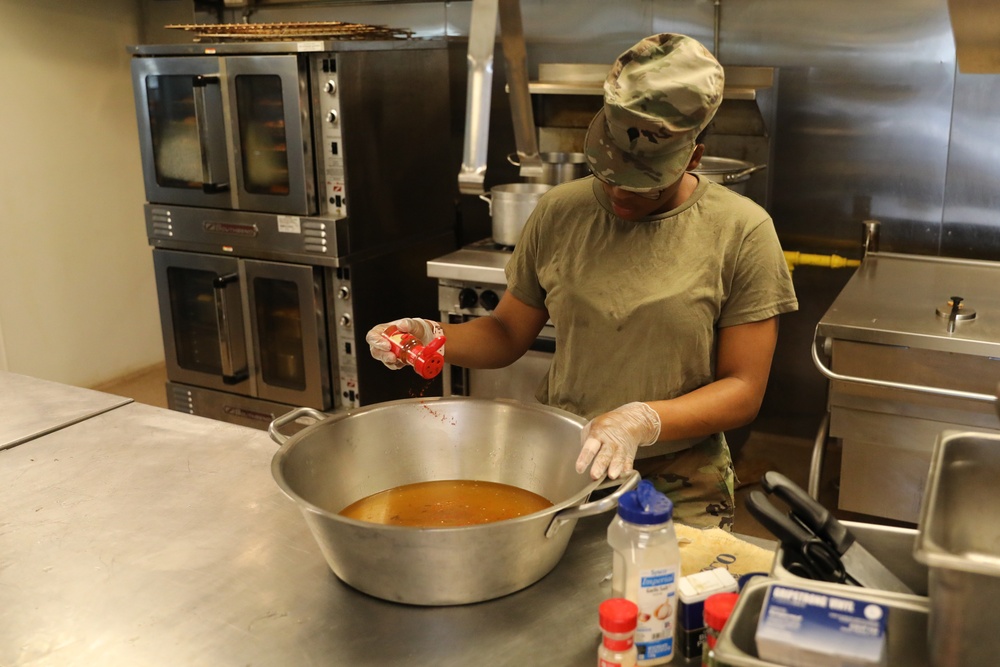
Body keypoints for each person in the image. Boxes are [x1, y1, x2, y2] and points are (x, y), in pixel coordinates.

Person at [365, 33, 798, 531]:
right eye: (607, 171)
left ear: (692, 158)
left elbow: (743, 388)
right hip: (563, 464)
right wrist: (433, 337)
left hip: (679, 481)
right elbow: (506, 334)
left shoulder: (741, 231)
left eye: (643, 184)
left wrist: (641, 420)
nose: (618, 193)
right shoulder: (559, 211)